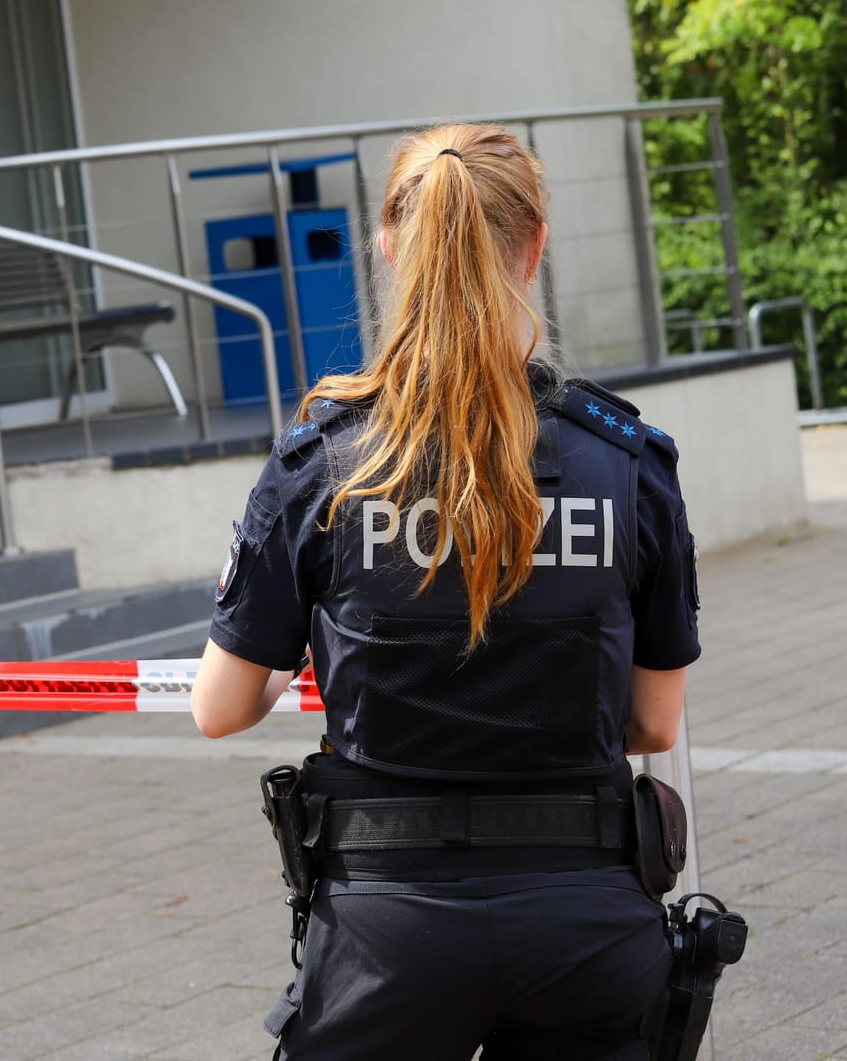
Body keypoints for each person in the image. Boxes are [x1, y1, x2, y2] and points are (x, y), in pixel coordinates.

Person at [191, 123, 699, 1059]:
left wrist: (311, 655)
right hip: (585, 927)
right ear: (535, 243)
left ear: (389, 245)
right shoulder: (629, 464)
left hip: (387, 940)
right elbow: (653, 726)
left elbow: (220, 711)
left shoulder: (324, 464)